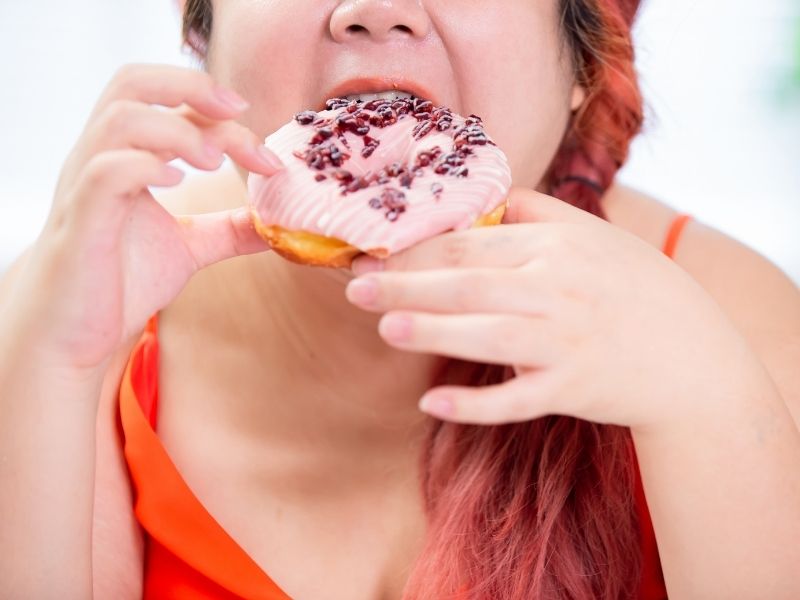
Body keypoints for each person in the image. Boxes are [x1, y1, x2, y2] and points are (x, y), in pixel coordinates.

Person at [1, 0, 799, 598]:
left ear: (585, 58)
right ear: (204, 30)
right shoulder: (84, 306)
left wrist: (708, 413)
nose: (375, 10)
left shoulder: (738, 333)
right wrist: (52, 372)